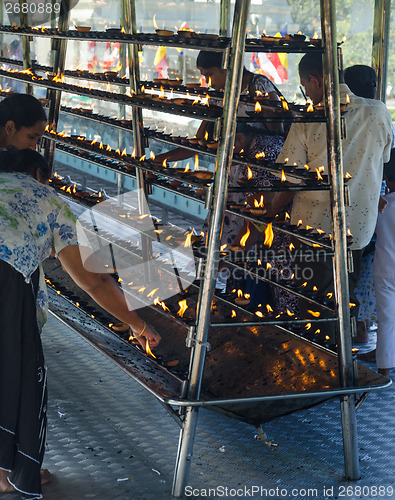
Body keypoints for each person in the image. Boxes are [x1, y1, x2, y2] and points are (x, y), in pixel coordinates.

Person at [0, 149, 161, 498]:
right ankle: (4, 470)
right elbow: (92, 281)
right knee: (13, 374)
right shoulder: (46, 199)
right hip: (4, 288)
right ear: (39, 176)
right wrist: (136, 323)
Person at [263, 52, 393, 345]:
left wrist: (268, 210)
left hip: (314, 229)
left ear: (315, 80)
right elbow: (381, 161)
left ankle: (323, 361)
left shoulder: (309, 118)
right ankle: (344, 359)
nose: (306, 93)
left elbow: (290, 177)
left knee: (316, 298)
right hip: (358, 229)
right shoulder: (379, 112)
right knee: (345, 293)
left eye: (304, 86)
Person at [153, 50, 284, 165]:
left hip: (261, 165)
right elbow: (199, 141)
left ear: (227, 67)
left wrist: (264, 109)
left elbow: (277, 132)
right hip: (232, 166)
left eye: (210, 74)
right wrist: (160, 159)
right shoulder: (216, 96)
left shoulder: (258, 85)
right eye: (204, 76)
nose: (207, 81)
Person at [358, 150, 395, 377]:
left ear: (386, 179)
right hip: (384, 271)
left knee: (387, 318)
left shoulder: (381, 206)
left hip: (385, 270)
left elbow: (368, 234)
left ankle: (384, 368)